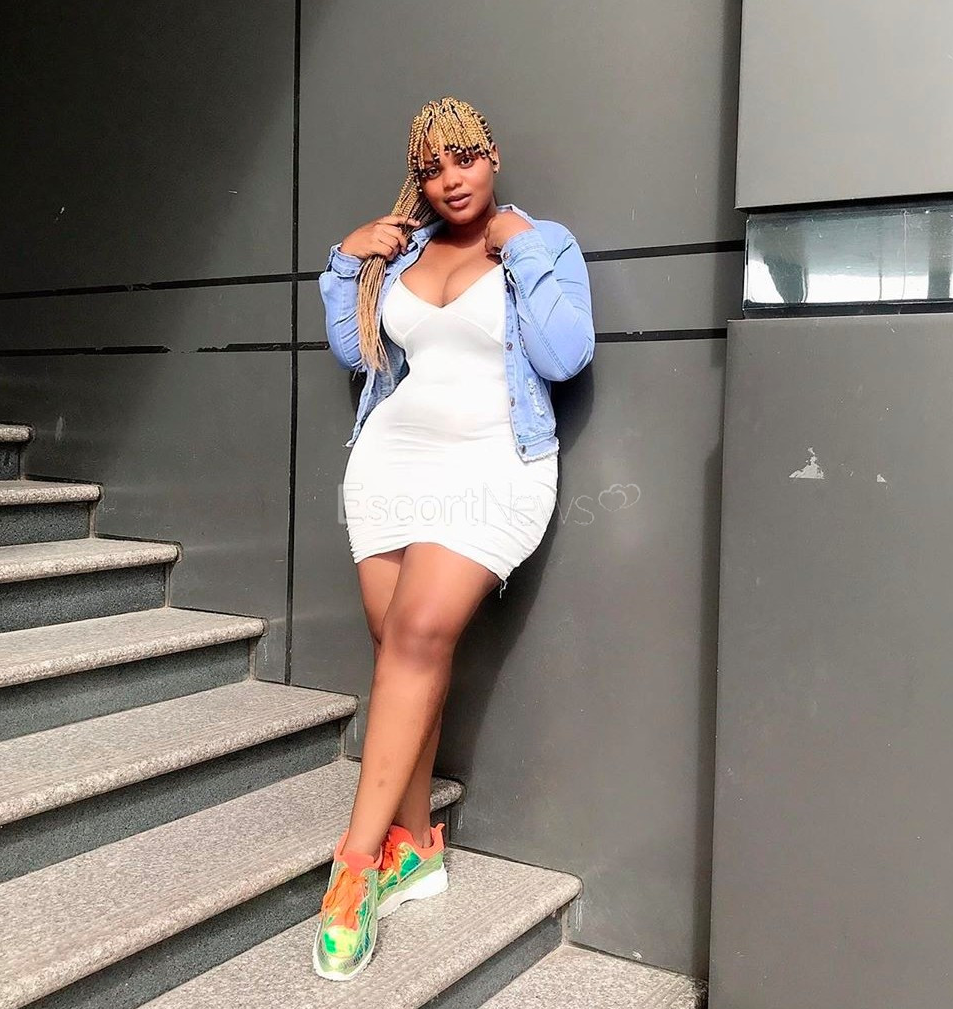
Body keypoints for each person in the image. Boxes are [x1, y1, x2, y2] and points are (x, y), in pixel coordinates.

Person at [313, 96, 595, 981]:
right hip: (391, 464)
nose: (451, 179)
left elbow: (565, 355)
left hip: (491, 463)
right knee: (400, 648)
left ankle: (354, 867)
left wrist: (522, 247)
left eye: (465, 157)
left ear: (492, 155)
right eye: (432, 168)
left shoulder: (541, 242)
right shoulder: (406, 252)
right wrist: (346, 261)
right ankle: (415, 846)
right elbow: (357, 353)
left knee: (416, 634)